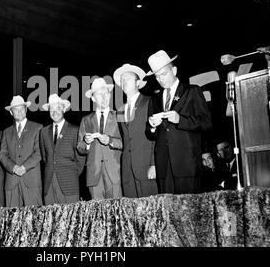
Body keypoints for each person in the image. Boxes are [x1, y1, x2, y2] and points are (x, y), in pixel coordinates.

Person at [146, 50, 212, 194]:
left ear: (174, 70)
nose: (160, 79)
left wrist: (180, 120)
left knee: (189, 211)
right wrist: (151, 126)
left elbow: (206, 122)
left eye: (164, 74)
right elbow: (150, 135)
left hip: (187, 163)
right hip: (164, 165)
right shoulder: (154, 100)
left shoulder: (192, 91)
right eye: (157, 77)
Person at [113, 63, 158, 198]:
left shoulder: (150, 102)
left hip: (146, 167)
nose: (123, 82)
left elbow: (157, 135)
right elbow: (124, 139)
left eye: (127, 79)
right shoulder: (120, 110)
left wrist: (154, 164)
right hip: (127, 170)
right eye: (122, 80)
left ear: (138, 82)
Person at [77, 78, 122, 200]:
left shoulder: (119, 116)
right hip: (94, 175)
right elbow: (80, 148)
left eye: (106, 93)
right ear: (93, 98)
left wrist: (111, 141)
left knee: (116, 212)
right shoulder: (86, 120)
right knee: (97, 215)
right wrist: (86, 143)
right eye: (100, 94)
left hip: (115, 174)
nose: (104, 97)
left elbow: (126, 143)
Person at [39, 94, 85, 205]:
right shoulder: (43, 132)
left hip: (69, 184)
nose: (55, 112)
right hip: (49, 185)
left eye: (58, 108)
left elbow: (81, 159)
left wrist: (71, 173)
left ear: (64, 109)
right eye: (52, 109)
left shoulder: (75, 130)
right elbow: (45, 157)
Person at [0, 95, 43, 208]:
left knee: (34, 219)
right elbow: (2, 154)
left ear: (26, 109)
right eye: (15, 109)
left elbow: (39, 152)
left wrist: (24, 167)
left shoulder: (37, 127)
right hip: (11, 182)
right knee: (12, 220)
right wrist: (13, 168)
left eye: (21, 108)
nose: (19, 112)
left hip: (31, 181)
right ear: (11, 113)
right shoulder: (6, 132)